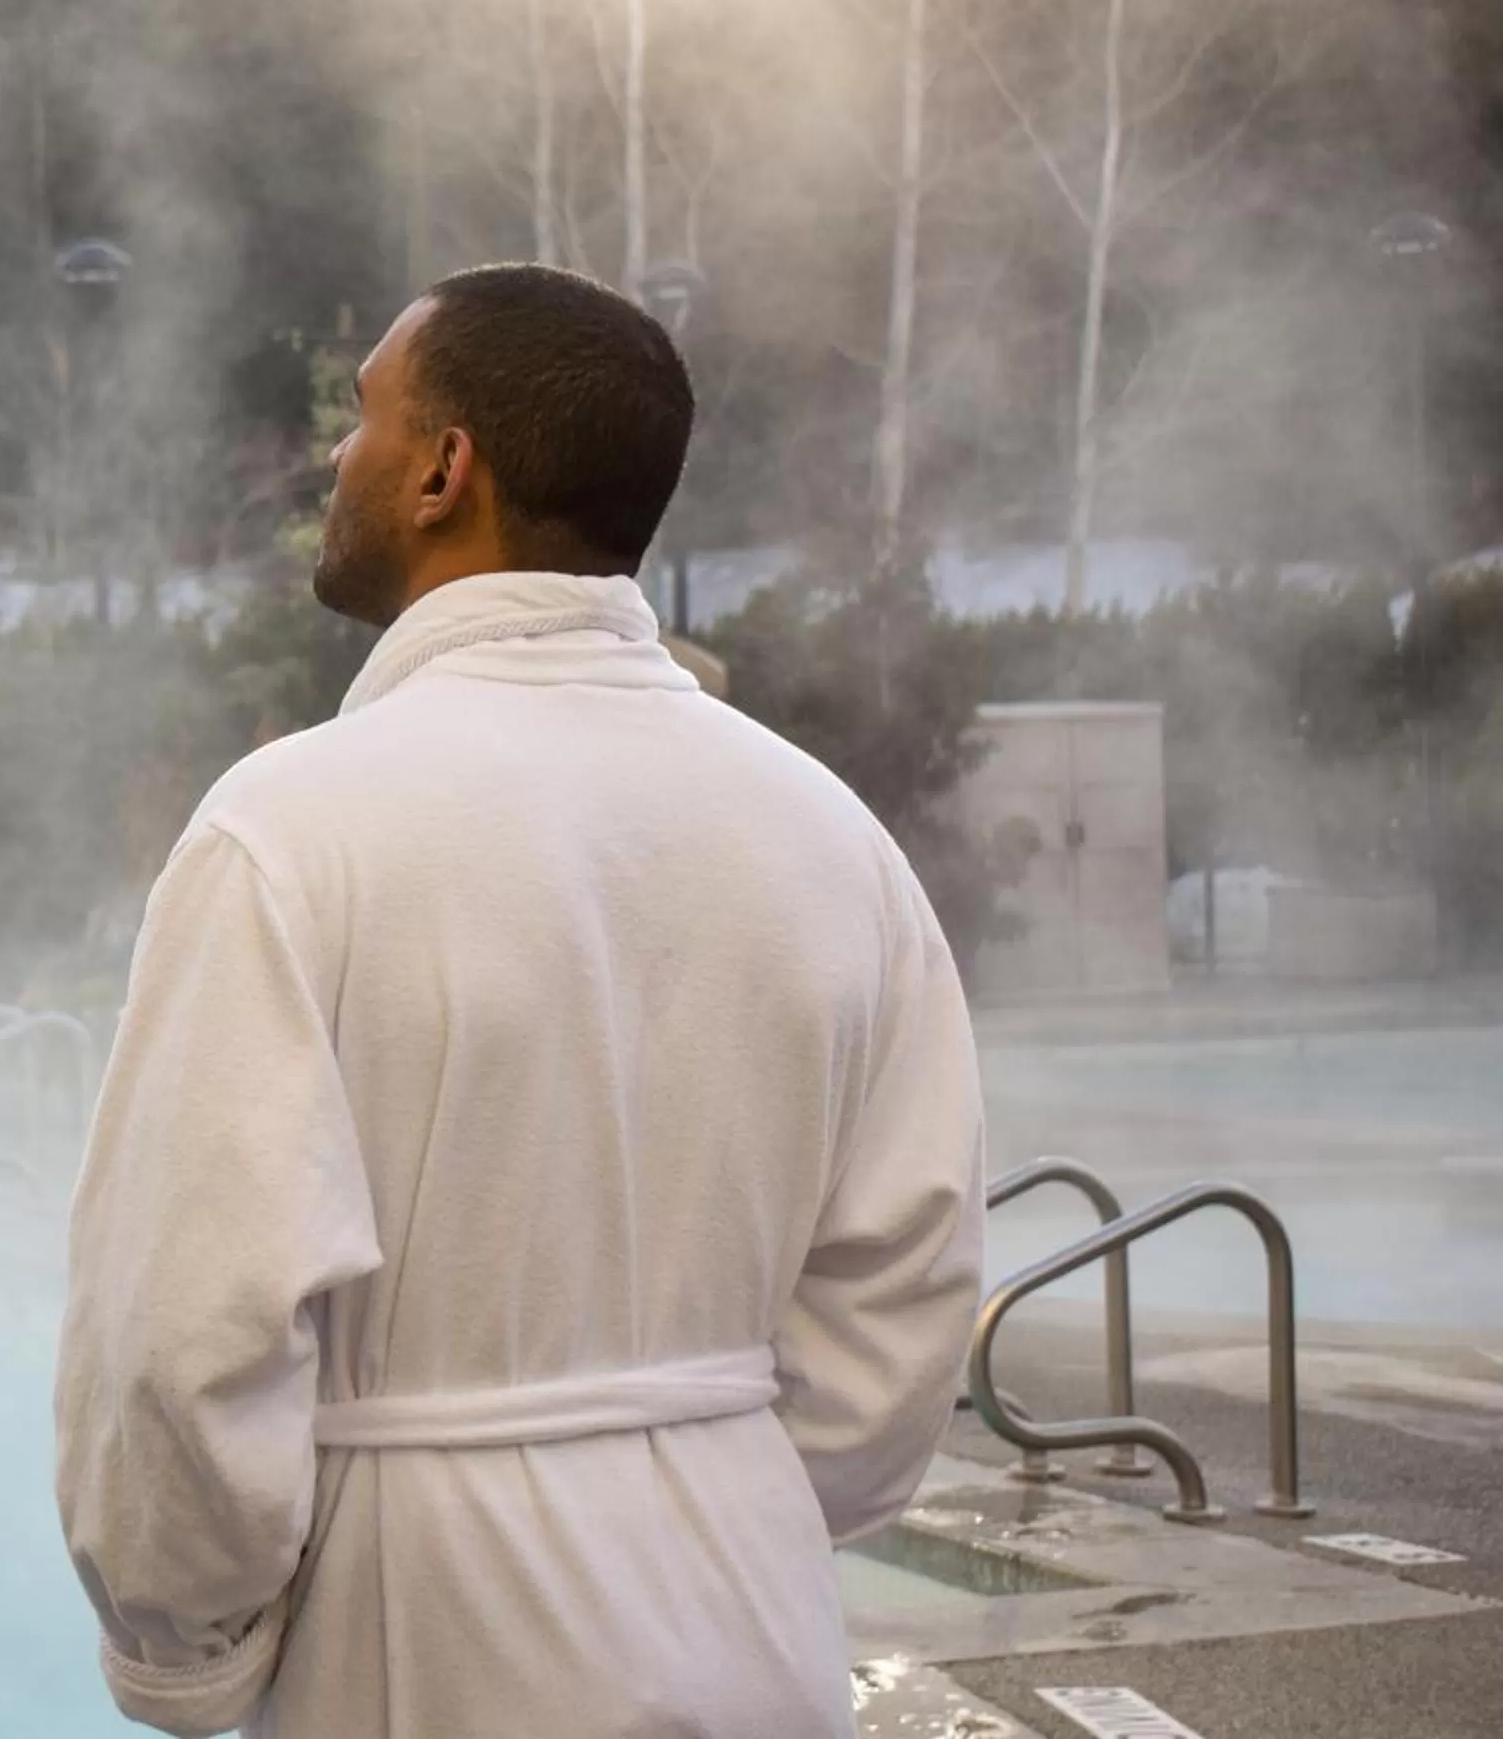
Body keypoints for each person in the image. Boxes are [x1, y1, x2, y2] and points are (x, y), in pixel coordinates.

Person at [54, 265, 986, 1739]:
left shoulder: (290, 831)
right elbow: (908, 1286)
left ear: (444, 470)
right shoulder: (827, 834)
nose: (334, 461)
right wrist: (698, 1478)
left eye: (363, 420)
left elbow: (184, 1327)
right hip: (755, 1621)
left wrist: (187, 1654)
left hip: (424, 1631)